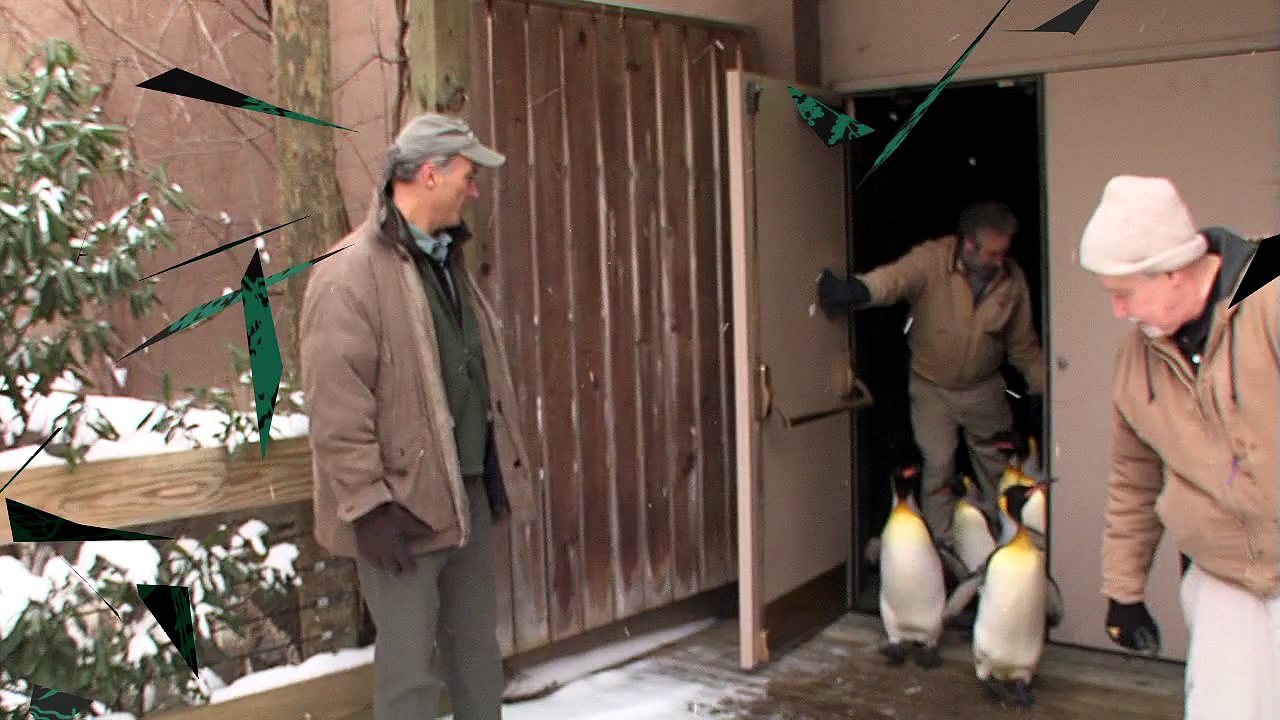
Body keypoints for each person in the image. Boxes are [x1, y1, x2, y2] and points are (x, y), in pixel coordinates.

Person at [299, 112, 531, 720]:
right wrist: (368, 509)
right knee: (409, 677)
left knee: (477, 656)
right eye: (468, 176)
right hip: (399, 510)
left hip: (468, 495)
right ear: (430, 174)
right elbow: (334, 406)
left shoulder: (446, 260)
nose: (474, 190)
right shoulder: (347, 274)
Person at [1078, 175, 1278, 720]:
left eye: (1123, 293)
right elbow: (1132, 480)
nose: (1118, 312)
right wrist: (1124, 589)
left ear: (1172, 270)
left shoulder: (1271, 293)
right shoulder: (1136, 359)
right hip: (1223, 575)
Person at [816, 201, 1045, 544]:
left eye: (1004, 253)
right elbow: (894, 280)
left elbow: (1023, 344)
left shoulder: (1012, 281)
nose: (1001, 262)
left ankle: (1004, 544)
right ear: (969, 244)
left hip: (984, 388)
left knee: (999, 469)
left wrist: (1041, 387)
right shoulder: (933, 260)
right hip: (932, 388)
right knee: (937, 467)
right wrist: (858, 290)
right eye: (993, 254)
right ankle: (944, 548)